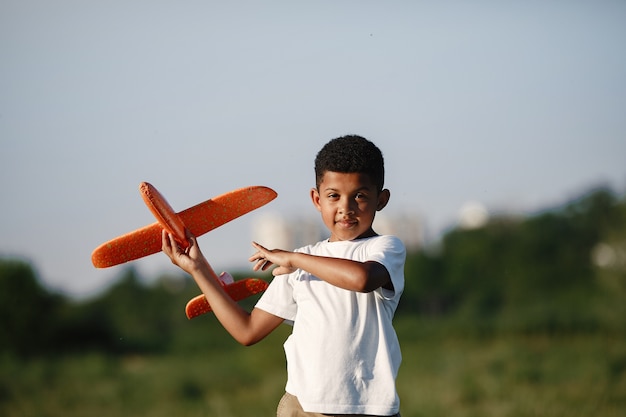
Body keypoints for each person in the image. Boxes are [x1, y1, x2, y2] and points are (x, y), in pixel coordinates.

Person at [162, 135, 406, 417]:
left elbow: (362, 280)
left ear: (382, 199)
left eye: (360, 196)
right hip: (301, 408)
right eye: (333, 196)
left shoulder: (384, 248)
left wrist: (292, 258)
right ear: (317, 199)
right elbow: (248, 331)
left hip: (370, 409)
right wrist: (198, 268)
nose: (346, 208)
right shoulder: (301, 263)